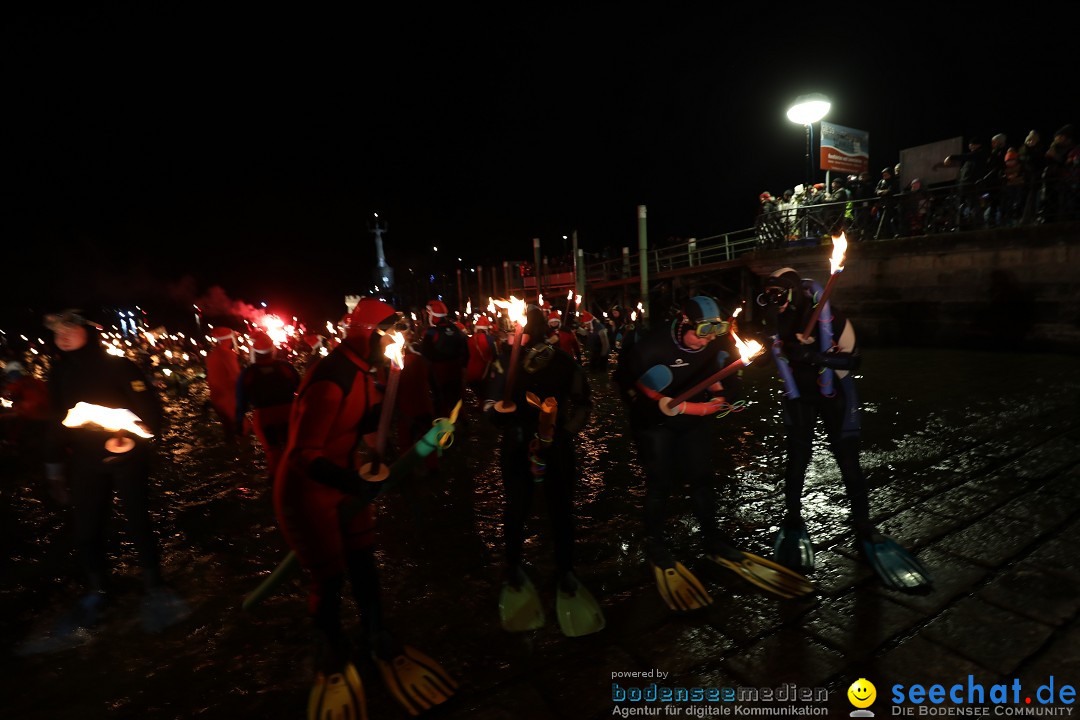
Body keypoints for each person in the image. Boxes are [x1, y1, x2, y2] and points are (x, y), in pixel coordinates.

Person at [273, 298, 456, 719]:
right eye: (388, 335)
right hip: (308, 492)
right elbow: (304, 454)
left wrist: (411, 428)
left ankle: (376, 633)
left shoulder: (361, 372)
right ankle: (331, 647)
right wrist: (353, 483)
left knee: (363, 561)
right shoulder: (330, 377)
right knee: (329, 577)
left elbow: (365, 419)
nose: (394, 343)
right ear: (370, 335)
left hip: (342, 478)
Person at [613, 296, 813, 612]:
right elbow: (627, 383)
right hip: (655, 424)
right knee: (660, 482)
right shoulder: (651, 346)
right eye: (702, 331)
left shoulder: (715, 344)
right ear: (684, 323)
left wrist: (718, 400)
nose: (708, 338)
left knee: (703, 478)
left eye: (713, 331)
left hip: (693, 419)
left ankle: (711, 538)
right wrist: (655, 402)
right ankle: (656, 544)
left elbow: (727, 383)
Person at [19, 310, 189, 655]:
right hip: (84, 461)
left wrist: (131, 439)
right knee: (86, 528)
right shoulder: (60, 372)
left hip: (127, 459)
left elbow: (152, 416)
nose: (62, 335)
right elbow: (57, 421)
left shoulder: (119, 367)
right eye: (56, 330)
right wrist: (53, 467)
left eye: (70, 327)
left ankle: (154, 584)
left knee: (138, 520)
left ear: (87, 330)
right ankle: (99, 591)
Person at [755, 269, 931, 592]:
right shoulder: (774, 317)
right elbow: (768, 354)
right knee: (796, 461)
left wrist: (815, 355)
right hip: (799, 398)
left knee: (848, 462)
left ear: (794, 291)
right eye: (770, 294)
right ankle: (793, 519)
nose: (774, 300)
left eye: (779, 293)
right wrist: (759, 356)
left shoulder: (829, 316)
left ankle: (863, 526)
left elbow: (855, 361)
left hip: (835, 396)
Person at [484, 304, 601, 636]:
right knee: (517, 507)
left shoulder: (563, 362)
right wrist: (499, 414)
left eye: (515, 331)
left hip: (555, 446)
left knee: (560, 508)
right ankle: (514, 565)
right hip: (518, 444)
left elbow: (583, 402)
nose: (512, 337)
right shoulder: (503, 363)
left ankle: (564, 569)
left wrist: (562, 433)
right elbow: (490, 404)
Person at [235, 331, 300, 481]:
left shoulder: (247, 373)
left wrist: (239, 424)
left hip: (264, 418)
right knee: (292, 449)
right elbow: (301, 390)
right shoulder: (287, 367)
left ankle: (275, 487)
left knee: (272, 453)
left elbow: (241, 402)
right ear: (273, 350)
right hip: (288, 414)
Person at [419, 299, 470, 420]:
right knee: (456, 395)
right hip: (456, 369)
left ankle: (443, 423)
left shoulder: (431, 332)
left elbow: (425, 353)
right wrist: (463, 366)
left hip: (439, 371)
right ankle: (462, 420)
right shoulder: (456, 329)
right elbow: (465, 349)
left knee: (441, 398)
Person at [205, 325, 242, 444]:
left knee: (228, 431)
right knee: (243, 430)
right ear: (228, 339)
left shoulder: (212, 354)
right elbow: (237, 377)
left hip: (216, 398)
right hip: (228, 399)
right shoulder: (227, 354)